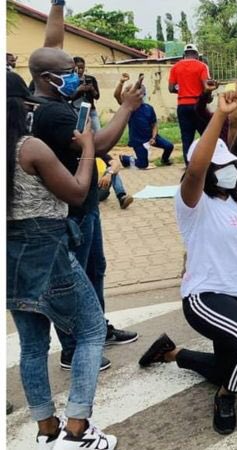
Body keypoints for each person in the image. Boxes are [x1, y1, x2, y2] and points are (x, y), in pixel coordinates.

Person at [138, 91, 237, 436]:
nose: (229, 171)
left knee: (231, 364)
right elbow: (195, 170)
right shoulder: (194, 204)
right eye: (220, 167)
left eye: (232, 167)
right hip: (207, 297)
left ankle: (171, 352)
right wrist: (219, 117)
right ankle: (225, 397)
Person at [7, 70, 117, 450]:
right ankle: (77, 430)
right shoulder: (29, 147)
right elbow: (75, 191)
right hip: (47, 248)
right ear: (21, 106)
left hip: (9, 258)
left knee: (32, 347)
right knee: (90, 331)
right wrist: (87, 146)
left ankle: (47, 430)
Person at [28, 2, 140, 372]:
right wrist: (126, 107)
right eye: (68, 72)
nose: (76, 76)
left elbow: (51, 43)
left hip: (84, 207)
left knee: (95, 271)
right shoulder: (54, 113)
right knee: (75, 279)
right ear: (47, 77)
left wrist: (57, 6)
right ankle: (74, 348)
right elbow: (102, 144)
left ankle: (97, 329)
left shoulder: (40, 91)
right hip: (71, 212)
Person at [113, 74, 175, 168]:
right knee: (143, 164)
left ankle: (164, 160)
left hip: (151, 137)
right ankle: (125, 159)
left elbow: (154, 125)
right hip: (138, 141)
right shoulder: (129, 107)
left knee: (169, 146)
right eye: (139, 91)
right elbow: (117, 95)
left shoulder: (148, 108)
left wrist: (154, 138)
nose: (141, 94)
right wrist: (121, 82)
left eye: (143, 92)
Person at [169, 43, 210, 163]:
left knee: (186, 138)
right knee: (207, 136)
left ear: (184, 55)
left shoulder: (175, 67)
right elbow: (206, 86)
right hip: (198, 106)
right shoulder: (202, 66)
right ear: (197, 55)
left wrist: (183, 90)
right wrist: (207, 97)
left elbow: (171, 88)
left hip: (182, 106)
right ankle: (209, 163)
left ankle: (189, 166)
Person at [71, 56, 100, 132]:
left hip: (91, 110)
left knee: (97, 132)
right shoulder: (70, 80)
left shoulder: (91, 79)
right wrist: (78, 89)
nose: (80, 70)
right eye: (78, 68)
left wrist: (92, 89)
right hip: (77, 110)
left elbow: (97, 96)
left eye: (82, 68)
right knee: (80, 131)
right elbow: (68, 97)